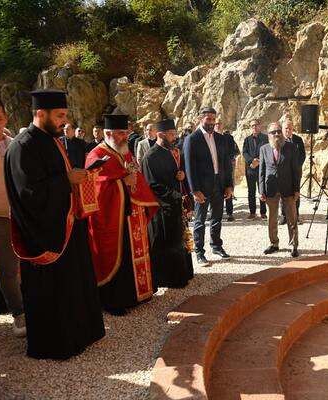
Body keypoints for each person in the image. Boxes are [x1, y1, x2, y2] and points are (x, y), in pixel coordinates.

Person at [4, 89, 104, 359]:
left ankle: (82, 333)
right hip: (46, 233)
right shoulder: (23, 146)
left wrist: (78, 178)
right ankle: (57, 343)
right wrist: (67, 180)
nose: (64, 121)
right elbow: (29, 195)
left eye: (65, 115)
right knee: (55, 292)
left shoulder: (51, 140)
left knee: (75, 283)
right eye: (59, 116)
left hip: (67, 224)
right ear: (40, 113)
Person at [85, 114, 159, 316]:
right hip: (111, 219)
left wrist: (137, 193)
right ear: (108, 133)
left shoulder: (124, 151)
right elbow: (94, 191)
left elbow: (136, 176)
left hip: (132, 214)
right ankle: (115, 300)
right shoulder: (96, 155)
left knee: (133, 255)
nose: (125, 137)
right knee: (117, 256)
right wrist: (121, 183)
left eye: (126, 133)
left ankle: (139, 293)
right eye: (120, 133)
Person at [141, 119, 194, 288]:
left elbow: (178, 174)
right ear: (160, 135)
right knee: (167, 243)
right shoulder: (150, 157)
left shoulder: (171, 152)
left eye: (175, 134)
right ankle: (170, 279)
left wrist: (181, 175)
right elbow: (152, 185)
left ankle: (184, 273)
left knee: (179, 240)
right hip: (162, 209)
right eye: (171, 134)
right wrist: (176, 196)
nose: (175, 137)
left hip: (176, 204)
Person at [0, 95, 25, 336]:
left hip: (20, 216)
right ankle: (19, 314)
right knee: (8, 267)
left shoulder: (16, 144)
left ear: (6, 118)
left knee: (26, 264)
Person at [184, 107, 233, 267]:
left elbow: (226, 164)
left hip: (219, 184)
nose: (212, 122)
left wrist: (229, 185)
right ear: (200, 119)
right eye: (208, 119)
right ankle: (199, 252)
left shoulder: (221, 138)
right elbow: (189, 167)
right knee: (200, 221)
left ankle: (216, 246)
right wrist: (194, 190)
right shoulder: (192, 139)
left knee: (217, 218)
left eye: (213, 119)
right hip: (202, 187)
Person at [259, 122, 301, 258]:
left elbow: (296, 170)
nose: (276, 134)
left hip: (288, 188)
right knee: (272, 218)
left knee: (292, 218)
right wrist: (261, 190)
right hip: (270, 188)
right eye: (273, 132)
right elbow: (262, 171)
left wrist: (296, 189)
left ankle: (294, 245)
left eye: (278, 131)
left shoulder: (291, 147)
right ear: (268, 135)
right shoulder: (264, 149)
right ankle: (274, 243)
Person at [279, 119, 305, 225]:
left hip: (296, 172)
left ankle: (296, 215)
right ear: (282, 129)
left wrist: (296, 167)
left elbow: (303, 155)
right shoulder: (279, 140)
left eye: (290, 128)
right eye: (286, 128)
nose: (288, 130)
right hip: (283, 173)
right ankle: (284, 215)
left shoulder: (298, 140)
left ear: (293, 128)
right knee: (282, 194)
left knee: (296, 193)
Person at [242, 119, 268, 220]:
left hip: (262, 168)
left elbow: (267, 151)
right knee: (251, 191)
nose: (254, 127)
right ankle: (252, 212)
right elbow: (244, 153)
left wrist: (259, 161)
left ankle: (263, 212)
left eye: (256, 125)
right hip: (251, 169)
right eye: (252, 126)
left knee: (262, 190)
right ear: (250, 128)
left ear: (259, 126)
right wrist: (252, 161)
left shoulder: (265, 138)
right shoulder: (247, 139)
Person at [215, 118, 239, 221]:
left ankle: (230, 213)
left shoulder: (228, 138)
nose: (217, 125)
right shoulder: (210, 137)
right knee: (216, 191)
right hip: (215, 168)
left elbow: (234, 151)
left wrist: (230, 160)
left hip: (227, 167)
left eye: (219, 123)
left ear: (223, 125)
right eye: (216, 123)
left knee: (229, 188)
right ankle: (216, 213)